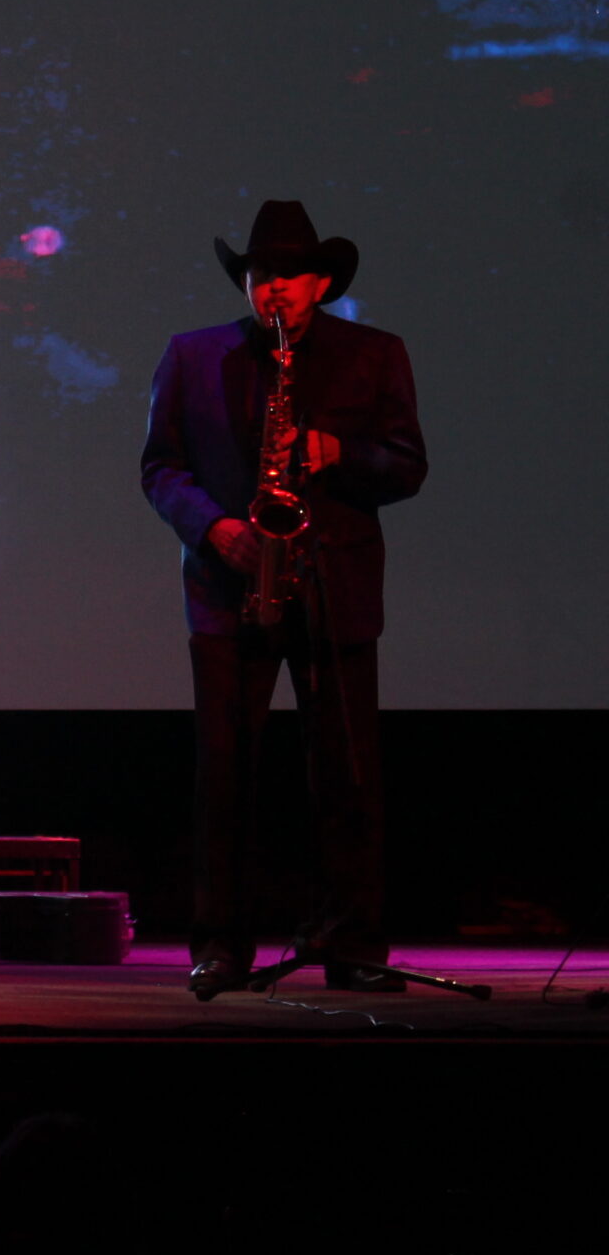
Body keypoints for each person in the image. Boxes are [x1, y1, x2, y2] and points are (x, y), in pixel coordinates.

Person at [141, 201, 426, 999]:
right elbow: (160, 468)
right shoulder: (193, 356)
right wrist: (216, 527)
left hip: (336, 585)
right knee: (225, 777)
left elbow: (407, 467)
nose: (276, 291)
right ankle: (221, 947)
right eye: (263, 277)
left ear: (322, 282)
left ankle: (353, 942)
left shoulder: (375, 354)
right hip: (231, 586)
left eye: (291, 277)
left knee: (347, 774)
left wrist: (338, 452)